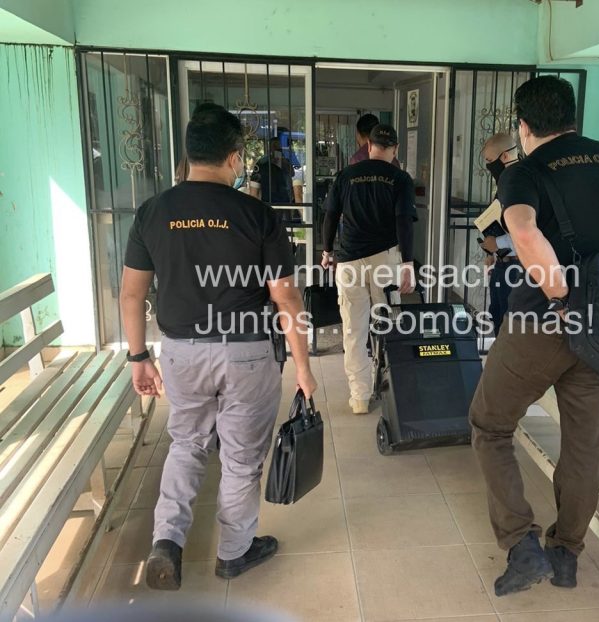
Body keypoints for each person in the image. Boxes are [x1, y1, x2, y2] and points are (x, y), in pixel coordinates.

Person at [120, 103, 317, 590]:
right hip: (246, 354)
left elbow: (131, 294)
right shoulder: (257, 214)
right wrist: (303, 365)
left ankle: (167, 541)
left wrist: (138, 357)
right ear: (234, 158)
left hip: (182, 352)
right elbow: (285, 296)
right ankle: (234, 551)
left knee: (186, 444)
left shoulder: (152, 212)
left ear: (189, 156)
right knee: (241, 458)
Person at [469, 76, 599, 596]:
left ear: (523, 125)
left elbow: (521, 230)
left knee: (490, 424)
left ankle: (523, 545)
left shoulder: (526, 170)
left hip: (541, 323)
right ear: (572, 117)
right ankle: (566, 555)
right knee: (584, 447)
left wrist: (561, 297)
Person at [322, 124, 416, 414]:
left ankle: (360, 396)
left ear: (369, 146)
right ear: (395, 149)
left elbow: (330, 216)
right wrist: (408, 264)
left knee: (354, 330)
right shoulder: (400, 178)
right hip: (385, 261)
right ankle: (394, 386)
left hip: (349, 262)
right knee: (389, 323)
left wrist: (327, 251)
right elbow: (403, 221)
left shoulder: (346, 175)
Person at [480, 133, 520, 336]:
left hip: (517, 266)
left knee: (509, 325)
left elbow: (527, 231)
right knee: (497, 316)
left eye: (490, 160)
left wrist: (498, 243)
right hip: (502, 263)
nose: (488, 166)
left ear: (504, 156)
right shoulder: (505, 183)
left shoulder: (520, 184)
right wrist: (491, 252)